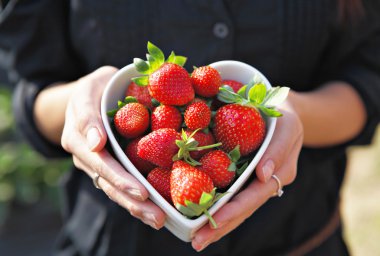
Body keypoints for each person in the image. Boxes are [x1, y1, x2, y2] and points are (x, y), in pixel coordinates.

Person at [0, 0, 379, 255]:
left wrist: (294, 114)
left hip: (299, 238)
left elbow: (368, 78)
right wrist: (83, 104)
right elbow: (33, 89)